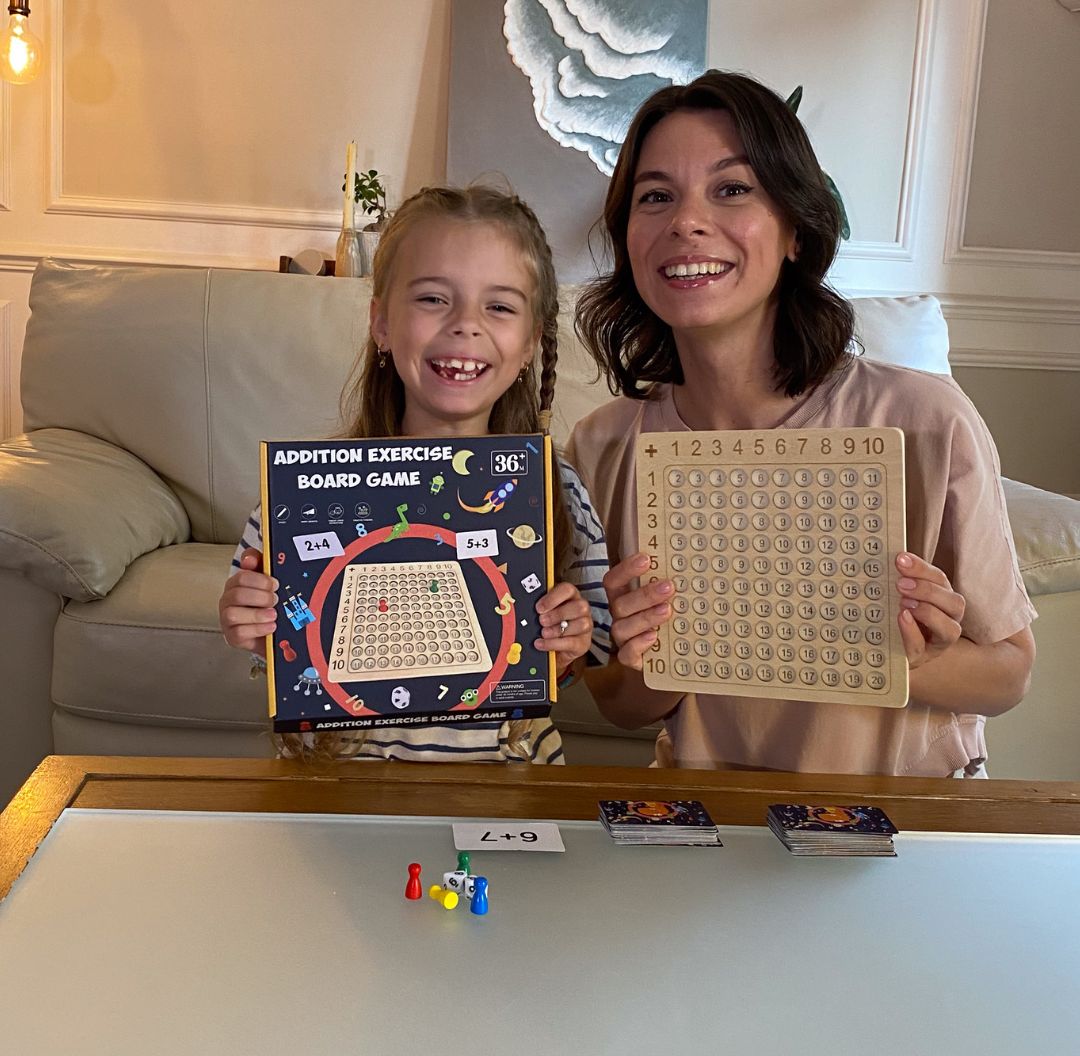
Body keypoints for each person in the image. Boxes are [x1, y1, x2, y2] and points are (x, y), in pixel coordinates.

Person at [568, 71, 1035, 777]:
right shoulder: (603, 446)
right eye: (655, 196)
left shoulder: (927, 423)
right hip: (710, 822)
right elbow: (625, 706)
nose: (686, 222)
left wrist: (917, 656)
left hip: (901, 830)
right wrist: (637, 652)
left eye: (731, 189)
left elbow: (1009, 675)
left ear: (793, 229)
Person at [220, 184, 609, 764]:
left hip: (507, 795)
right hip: (340, 791)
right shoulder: (297, 497)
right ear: (381, 322)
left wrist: (569, 642)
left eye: (499, 306)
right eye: (432, 299)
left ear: (530, 342)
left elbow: (585, 654)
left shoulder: (560, 493)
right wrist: (251, 623)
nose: (465, 326)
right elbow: (274, 639)